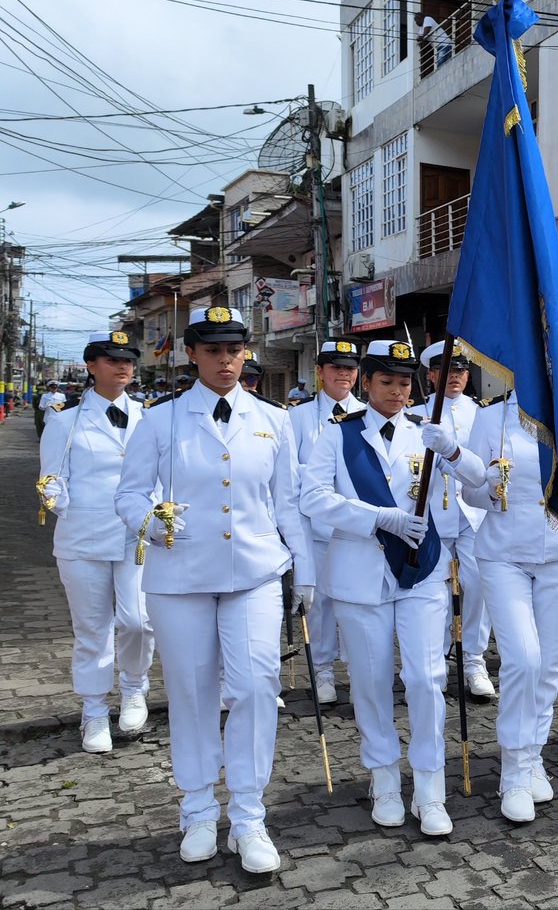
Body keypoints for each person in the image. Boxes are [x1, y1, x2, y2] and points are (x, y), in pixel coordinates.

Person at [115, 307, 314, 874]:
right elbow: (129, 495)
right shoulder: (161, 421)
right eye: (213, 350)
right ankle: (199, 808)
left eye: (234, 350)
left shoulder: (274, 420)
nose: (226, 360)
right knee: (192, 691)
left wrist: (306, 570)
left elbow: (288, 503)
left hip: (253, 571)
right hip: (179, 577)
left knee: (255, 685)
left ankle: (249, 816)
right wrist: (153, 520)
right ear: (192, 355)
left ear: (245, 354)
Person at [300, 340, 474, 837]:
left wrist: (454, 451)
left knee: (426, 679)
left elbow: (480, 482)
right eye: (386, 382)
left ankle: (430, 788)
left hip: (420, 573)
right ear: (367, 383)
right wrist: (379, 517)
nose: (398, 392)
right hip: (360, 577)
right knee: (372, 685)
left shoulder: (427, 432)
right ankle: (383, 779)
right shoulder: (337, 436)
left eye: (405, 383)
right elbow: (312, 498)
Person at [455, 388, 558, 822]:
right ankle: (512, 770)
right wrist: (488, 488)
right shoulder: (492, 418)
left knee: (546, 665)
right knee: (522, 660)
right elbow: (469, 493)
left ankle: (532, 758)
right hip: (502, 552)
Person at [38, 332, 155, 754]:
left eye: (128, 360)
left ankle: (135, 688)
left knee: (139, 620)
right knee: (92, 630)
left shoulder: (149, 416)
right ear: (91, 366)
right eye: (110, 360)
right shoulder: (64, 419)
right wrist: (60, 503)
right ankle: (93, 710)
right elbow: (52, 477)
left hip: (136, 535)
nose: (122, 367)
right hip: (84, 538)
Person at [290, 340, 366, 704]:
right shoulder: (298, 417)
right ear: (319, 372)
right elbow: (290, 475)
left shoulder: (368, 414)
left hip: (357, 530)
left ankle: (356, 669)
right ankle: (322, 670)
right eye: (335, 367)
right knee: (318, 606)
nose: (343, 374)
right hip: (316, 529)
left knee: (355, 603)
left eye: (350, 368)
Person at [418, 340, 494, 700]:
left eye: (462, 371)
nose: (455, 377)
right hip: (433, 512)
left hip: (470, 512)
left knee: (477, 584)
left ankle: (474, 660)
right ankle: (437, 658)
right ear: (432, 374)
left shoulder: (482, 413)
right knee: (434, 591)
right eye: (447, 370)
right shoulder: (416, 413)